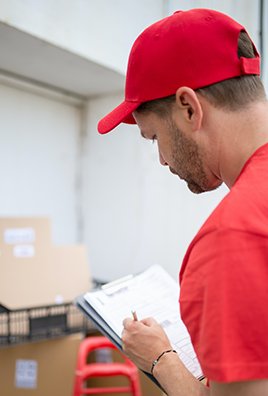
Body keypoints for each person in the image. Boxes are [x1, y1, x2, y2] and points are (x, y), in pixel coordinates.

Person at [97, 8, 268, 396]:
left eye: (154, 137)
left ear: (188, 108)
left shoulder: (233, 236)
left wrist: (162, 360)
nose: (161, 160)